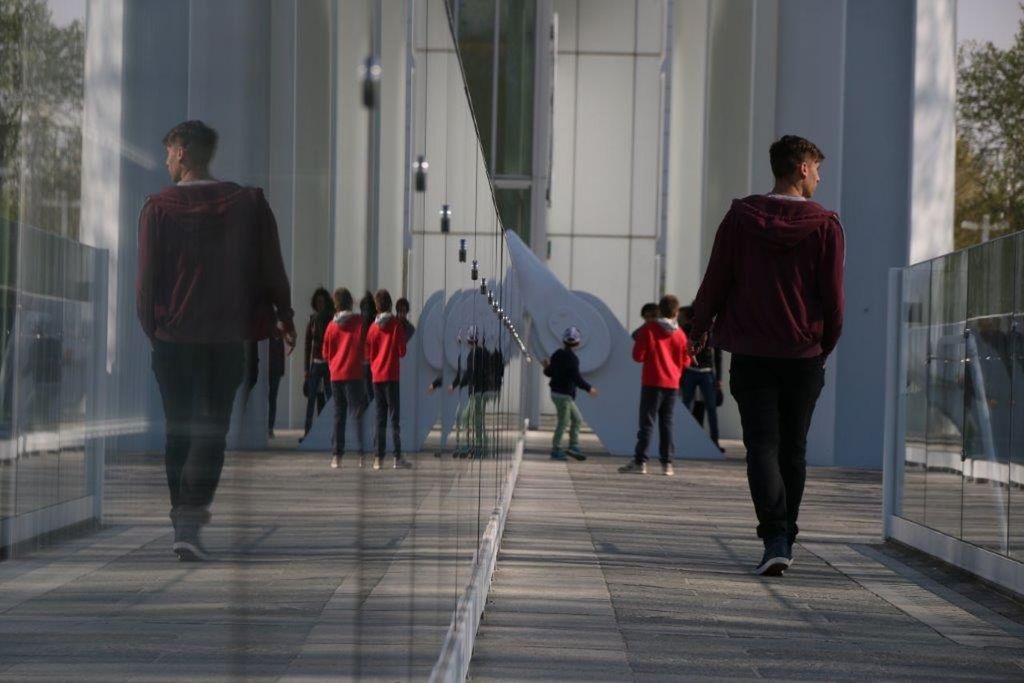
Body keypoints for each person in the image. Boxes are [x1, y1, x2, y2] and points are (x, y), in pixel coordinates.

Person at [137, 120, 295, 562]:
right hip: (228, 339)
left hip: (175, 340)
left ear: (183, 152)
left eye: (169, 152)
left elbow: (147, 283)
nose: (166, 160)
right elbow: (271, 265)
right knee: (212, 431)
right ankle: (189, 517)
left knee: (179, 431)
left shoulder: (158, 208)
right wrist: (284, 316)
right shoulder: (247, 203)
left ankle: (183, 520)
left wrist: (154, 330)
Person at [689, 134, 845, 576]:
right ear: (801, 169)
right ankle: (785, 536)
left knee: (762, 445)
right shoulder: (825, 224)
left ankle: (775, 534)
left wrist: (698, 331)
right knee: (793, 447)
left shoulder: (740, 219)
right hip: (802, 354)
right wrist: (824, 345)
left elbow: (716, 279)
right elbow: (833, 299)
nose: (818, 177)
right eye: (816, 168)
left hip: (752, 352)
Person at [619, 295, 690, 477]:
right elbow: (686, 361)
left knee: (647, 423)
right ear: (676, 312)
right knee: (667, 424)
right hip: (672, 384)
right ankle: (667, 464)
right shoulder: (680, 334)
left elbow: (638, 356)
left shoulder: (650, 329)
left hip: (652, 381)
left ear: (660, 309)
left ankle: (640, 461)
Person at [365, 288, 412, 469]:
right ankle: (397, 457)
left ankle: (378, 458)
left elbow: (369, 354)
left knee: (380, 417)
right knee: (394, 417)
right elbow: (402, 351)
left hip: (377, 377)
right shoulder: (395, 325)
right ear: (390, 305)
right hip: (392, 375)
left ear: (376, 306)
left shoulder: (372, 328)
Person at [322, 287, 368, 469]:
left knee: (338, 414)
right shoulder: (359, 322)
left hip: (336, 375)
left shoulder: (331, 327)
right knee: (357, 414)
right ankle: (361, 454)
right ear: (351, 302)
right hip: (354, 373)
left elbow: (325, 353)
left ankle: (337, 456)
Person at [542, 326, 597, 461]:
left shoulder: (557, 354)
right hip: (563, 396)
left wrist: (547, 366)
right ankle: (556, 449)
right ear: (578, 343)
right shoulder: (573, 359)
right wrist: (589, 388)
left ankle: (573, 445)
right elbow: (576, 378)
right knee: (564, 421)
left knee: (577, 419)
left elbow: (549, 373)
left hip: (558, 394)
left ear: (563, 340)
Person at [679, 305, 724, 453]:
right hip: (694, 371)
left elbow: (718, 355)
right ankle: (686, 440)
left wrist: (719, 378)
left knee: (708, 408)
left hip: (705, 372)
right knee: (689, 406)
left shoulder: (712, 330)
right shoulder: (687, 328)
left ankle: (714, 442)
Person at [301, 287, 334, 441]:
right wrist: (306, 369)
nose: (320, 304)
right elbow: (307, 346)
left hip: (328, 364)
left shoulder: (331, 320)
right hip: (315, 363)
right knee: (311, 399)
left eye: (323, 302)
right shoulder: (312, 321)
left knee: (328, 399)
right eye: (318, 302)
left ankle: (326, 433)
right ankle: (308, 432)